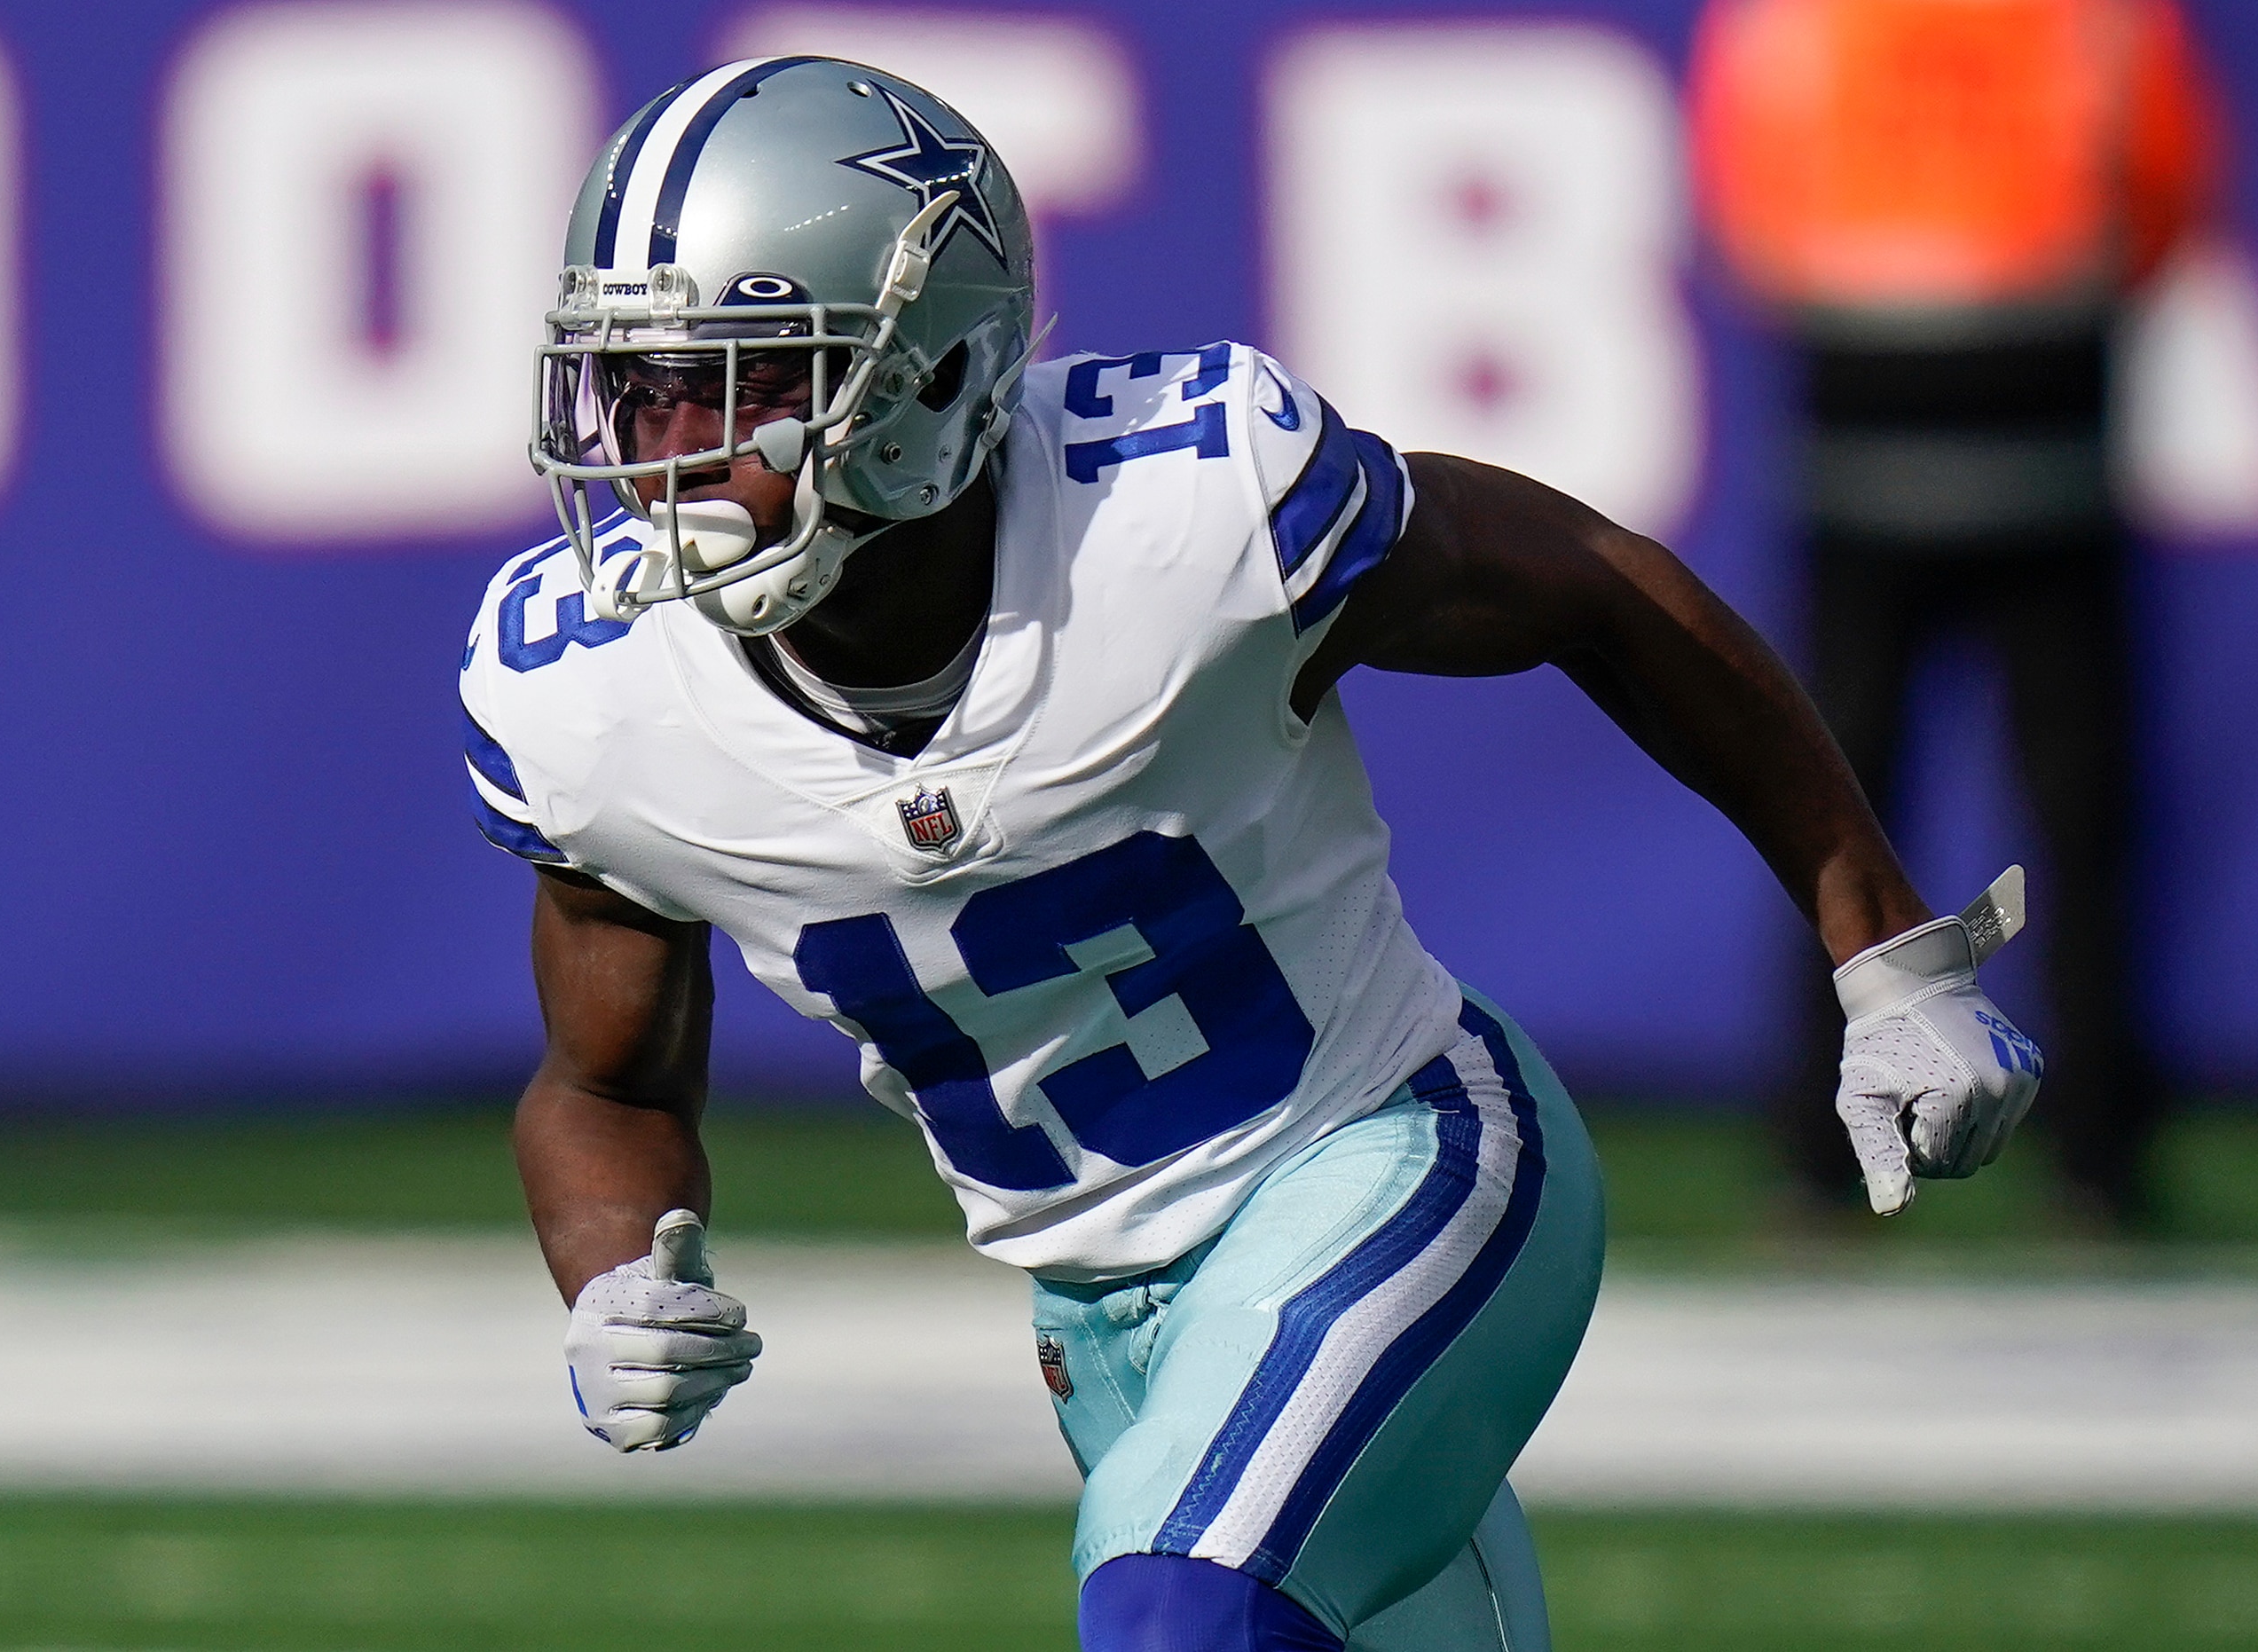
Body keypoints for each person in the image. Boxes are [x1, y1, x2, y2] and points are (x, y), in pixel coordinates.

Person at [463, 58, 2041, 1652]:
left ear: (929, 373)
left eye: (739, 383)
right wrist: (612, 1277)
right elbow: (606, 1084)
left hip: (1398, 1157)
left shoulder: (1182, 513)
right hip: (1104, 1328)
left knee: (1176, 1614)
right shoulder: (590, 699)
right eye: (640, 386)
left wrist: (1887, 946)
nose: (664, 447)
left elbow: (1593, 587)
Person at [1690, 0, 2218, 1229]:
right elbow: (2165, 192)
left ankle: (1828, 1157)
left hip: (1880, 415)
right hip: (2027, 410)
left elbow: (1747, 195)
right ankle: (2095, 1162)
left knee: (1829, 792)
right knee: (2060, 802)